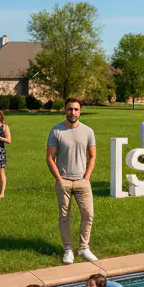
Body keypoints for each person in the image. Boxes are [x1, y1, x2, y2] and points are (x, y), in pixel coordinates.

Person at [47, 97, 98, 264]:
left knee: (88, 214)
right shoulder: (56, 131)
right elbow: (49, 158)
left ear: (80, 111)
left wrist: (87, 177)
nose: (73, 112)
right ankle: (68, 249)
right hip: (64, 181)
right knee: (64, 217)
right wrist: (59, 179)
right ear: (65, 110)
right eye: (70, 109)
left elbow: (92, 157)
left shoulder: (88, 131)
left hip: (82, 181)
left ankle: (83, 248)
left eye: (76, 109)